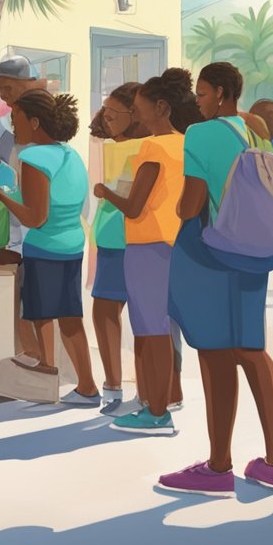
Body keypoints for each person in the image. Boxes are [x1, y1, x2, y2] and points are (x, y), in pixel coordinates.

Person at [160, 62, 273, 497]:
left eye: (201, 94)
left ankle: (219, 467)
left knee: (215, 355)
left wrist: (178, 206)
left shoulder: (201, 134)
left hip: (209, 250)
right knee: (252, 351)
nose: (196, 102)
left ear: (219, 93)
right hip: (253, 252)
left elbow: (190, 204)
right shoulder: (256, 129)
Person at [0, 89, 99, 406]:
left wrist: (0, 195)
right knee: (71, 317)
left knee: (42, 315)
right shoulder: (70, 155)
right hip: (72, 244)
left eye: (15, 117)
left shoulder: (33, 157)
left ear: (34, 121)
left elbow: (36, 216)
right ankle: (87, 386)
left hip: (44, 248)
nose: (12, 124)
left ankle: (46, 375)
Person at [98, 69, 201, 436]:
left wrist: (105, 192)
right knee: (162, 327)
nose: (138, 116)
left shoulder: (153, 147)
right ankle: (161, 402)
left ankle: (156, 411)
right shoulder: (186, 142)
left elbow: (134, 206)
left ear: (161, 107)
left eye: (141, 109)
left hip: (146, 245)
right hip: (175, 243)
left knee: (149, 330)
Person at [86, 82, 148, 415]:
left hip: (138, 237)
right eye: (105, 112)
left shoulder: (147, 148)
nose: (106, 118)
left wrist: (105, 192)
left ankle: (149, 390)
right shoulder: (112, 146)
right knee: (105, 310)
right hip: (111, 236)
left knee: (142, 317)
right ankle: (113, 386)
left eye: (114, 113)